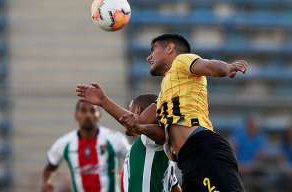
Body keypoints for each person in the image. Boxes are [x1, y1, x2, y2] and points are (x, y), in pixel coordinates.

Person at [76, 34, 247, 192]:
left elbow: (209, 66)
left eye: (153, 50)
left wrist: (227, 68)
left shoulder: (181, 61)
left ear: (170, 48)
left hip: (202, 147)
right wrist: (103, 101)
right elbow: (138, 122)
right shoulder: (164, 97)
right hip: (187, 161)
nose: (148, 57)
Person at [41, 101, 129, 192]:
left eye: (92, 111)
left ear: (99, 116)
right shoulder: (65, 142)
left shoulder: (114, 139)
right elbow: (50, 167)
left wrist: (127, 171)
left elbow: (134, 159)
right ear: (76, 116)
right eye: (83, 111)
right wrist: (46, 183)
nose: (88, 115)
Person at [122, 93, 181, 192]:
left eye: (129, 110)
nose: (126, 116)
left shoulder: (149, 141)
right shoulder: (148, 151)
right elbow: (174, 188)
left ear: (137, 111)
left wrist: (104, 101)